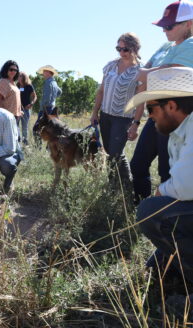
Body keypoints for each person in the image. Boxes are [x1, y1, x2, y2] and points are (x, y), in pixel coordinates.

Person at [125, 67, 193, 285]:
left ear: (171, 106)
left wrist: (160, 192)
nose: (149, 116)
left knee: (150, 210)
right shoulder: (179, 132)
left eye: (151, 108)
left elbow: (185, 188)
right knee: (156, 266)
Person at [130, 0, 193, 203]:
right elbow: (145, 79)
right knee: (138, 164)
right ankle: (143, 208)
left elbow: (169, 74)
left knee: (169, 171)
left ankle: (168, 222)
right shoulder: (166, 47)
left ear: (189, 23)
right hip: (156, 113)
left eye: (169, 26)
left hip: (175, 118)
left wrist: (147, 73)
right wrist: (135, 121)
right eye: (162, 26)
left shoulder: (191, 45)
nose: (164, 30)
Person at [90, 33, 142, 187]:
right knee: (108, 152)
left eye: (125, 49)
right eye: (118, 48)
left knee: (115, 153)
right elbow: (101, 91)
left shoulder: (141, 70)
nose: (121, 52)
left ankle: (126, 187)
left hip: (123, 118)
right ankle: (113, 186)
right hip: (105, 115)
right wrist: (94, 112)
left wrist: (136, 124)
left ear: (134, 48)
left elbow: (140, 101)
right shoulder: (111, 65)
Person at [33, 65, 62, 143]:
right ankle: (48, 148)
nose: (43, 73)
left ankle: (37, 148)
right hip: (52, 108)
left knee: (36, 128)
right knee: (51, 129)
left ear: (49, 73)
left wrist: (44, 107)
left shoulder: (47, 82)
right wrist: (54, 99)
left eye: (44, 71)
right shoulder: (54, 82)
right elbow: (60, 92)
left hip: (46, 109)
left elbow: (47, 97)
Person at [0, 60, 21, 127]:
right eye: (11, 69)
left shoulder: (13, 82)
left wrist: (19, 111)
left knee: (15, 137)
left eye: (15, 70)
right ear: (6, 69)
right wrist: (2, 116)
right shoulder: (3, 82)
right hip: (7, 117)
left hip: (16, 116)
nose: (13, 72)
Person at [16, 72, 37, 146]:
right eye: (18, 76)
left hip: (26, 109)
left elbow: (35, 96)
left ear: (23, 77)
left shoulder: (29, 86)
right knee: (16, 126)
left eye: (19, 76)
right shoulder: (17, 85)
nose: (18, 77)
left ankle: (25, 144)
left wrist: (31, 103)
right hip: (17, 110)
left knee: (24, 128)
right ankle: (18, 143)